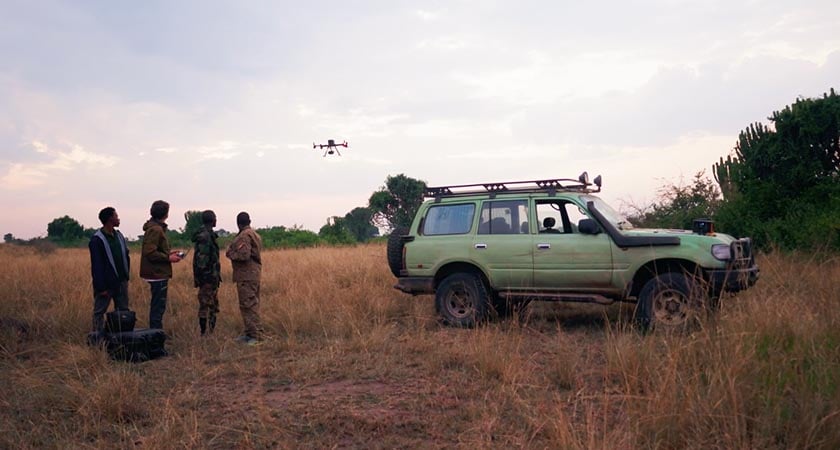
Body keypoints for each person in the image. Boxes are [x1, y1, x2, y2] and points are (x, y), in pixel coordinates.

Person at [139, 200, 182, 330]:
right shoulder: (156, 230)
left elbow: (154, 250)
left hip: (157, 273)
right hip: (157, 274)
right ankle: (155, 335)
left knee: (158, 306)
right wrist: (168, 258)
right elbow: (150, 252)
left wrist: (169, 253)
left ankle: (155, 333)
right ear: (166, 214)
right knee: (158, 307)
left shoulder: (154, 228)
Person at [88, 207, 130, 333]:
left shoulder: (119, 236)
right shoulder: (97, 240)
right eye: (116, 216)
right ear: (110, 219)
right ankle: (97, 339)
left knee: (123, 312)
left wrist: (126, 276)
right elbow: (97, 266)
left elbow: (126, 255)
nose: (118, 218)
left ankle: (122, 338)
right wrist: (101, 288)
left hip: (121, 281)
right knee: (99, 312)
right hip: (106, 284)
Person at [225, 211, 264, 344]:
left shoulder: (244, 236)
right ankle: (250, 333)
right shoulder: (254, 234)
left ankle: (255, 336)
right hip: (253, 274)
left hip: (246, 275)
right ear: (249, 221)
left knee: (248, 305)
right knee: (251, 304)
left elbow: (244, 255)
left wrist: (230, 253)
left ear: (238, 223)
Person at [192, 210, 221, 335]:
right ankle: (204, 333)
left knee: (213, 305)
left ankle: (210, 332)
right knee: (206, 305)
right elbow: (202, 261)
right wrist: (205, 279)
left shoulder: (208, 234)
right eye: (215, 218)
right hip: (208, 278)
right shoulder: (205, 236)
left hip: (211, 277)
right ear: (212, 220)